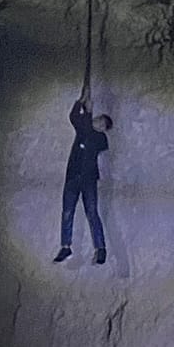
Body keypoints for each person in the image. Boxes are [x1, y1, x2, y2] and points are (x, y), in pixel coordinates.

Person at [55, 81, 112, 265]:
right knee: (67, 212)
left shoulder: (100, 138)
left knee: (92, 212)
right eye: (99, 119)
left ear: (104, 128)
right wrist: (82, 101)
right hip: (73, 178)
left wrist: (88, 111)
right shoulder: (83, 129)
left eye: (102, 122)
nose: (98, 121)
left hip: (88, 180)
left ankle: (100, 248)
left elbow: (92, 135)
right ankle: (65, 247)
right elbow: (73, 117)